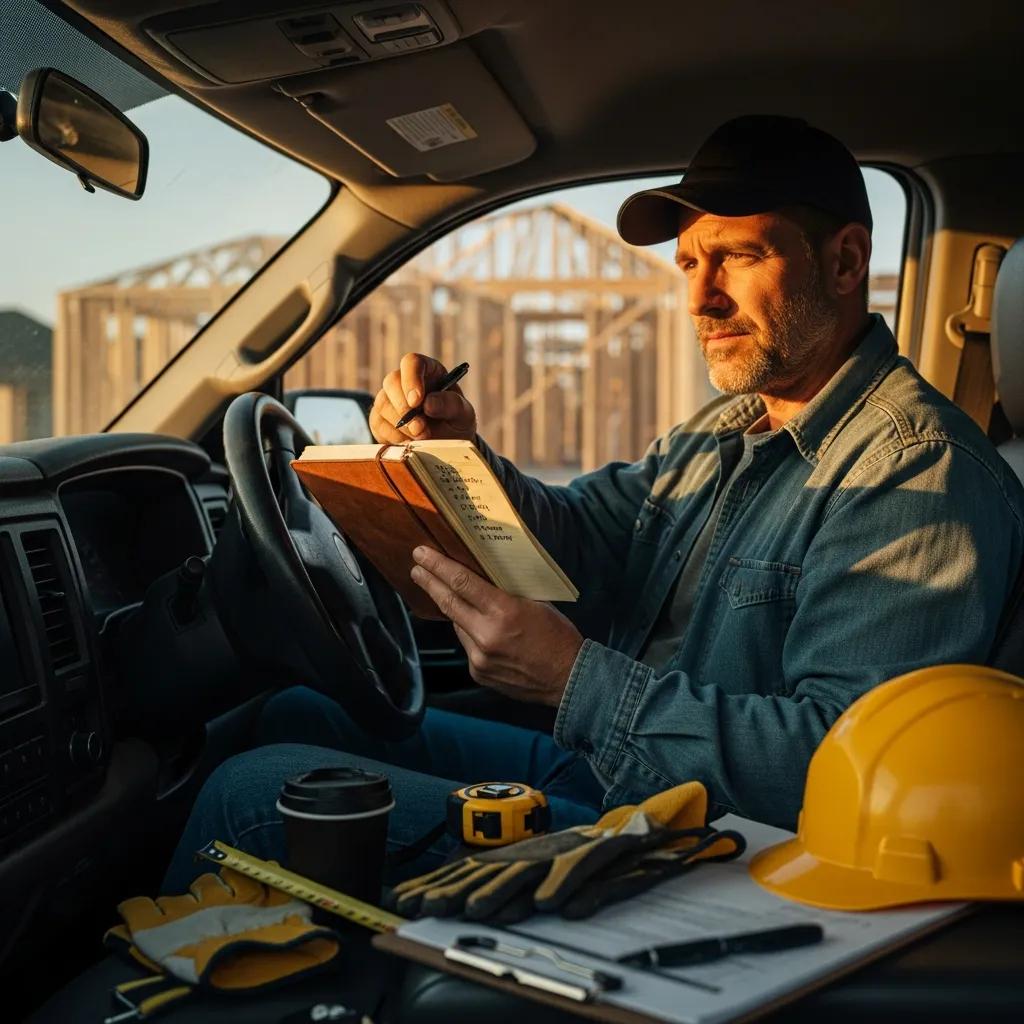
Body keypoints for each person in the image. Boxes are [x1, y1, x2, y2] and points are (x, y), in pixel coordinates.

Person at [163, 115, 1024, 892]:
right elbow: (584, 537)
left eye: (739, 256)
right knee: (292, 717)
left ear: (842, 262)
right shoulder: (729, 428)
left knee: (253, 793)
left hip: (731, 856)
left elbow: (843, 773)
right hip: (630, 783)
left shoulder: (913, 472)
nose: (699, 297)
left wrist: (575, 681)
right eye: (689, 263)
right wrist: (458, 459)